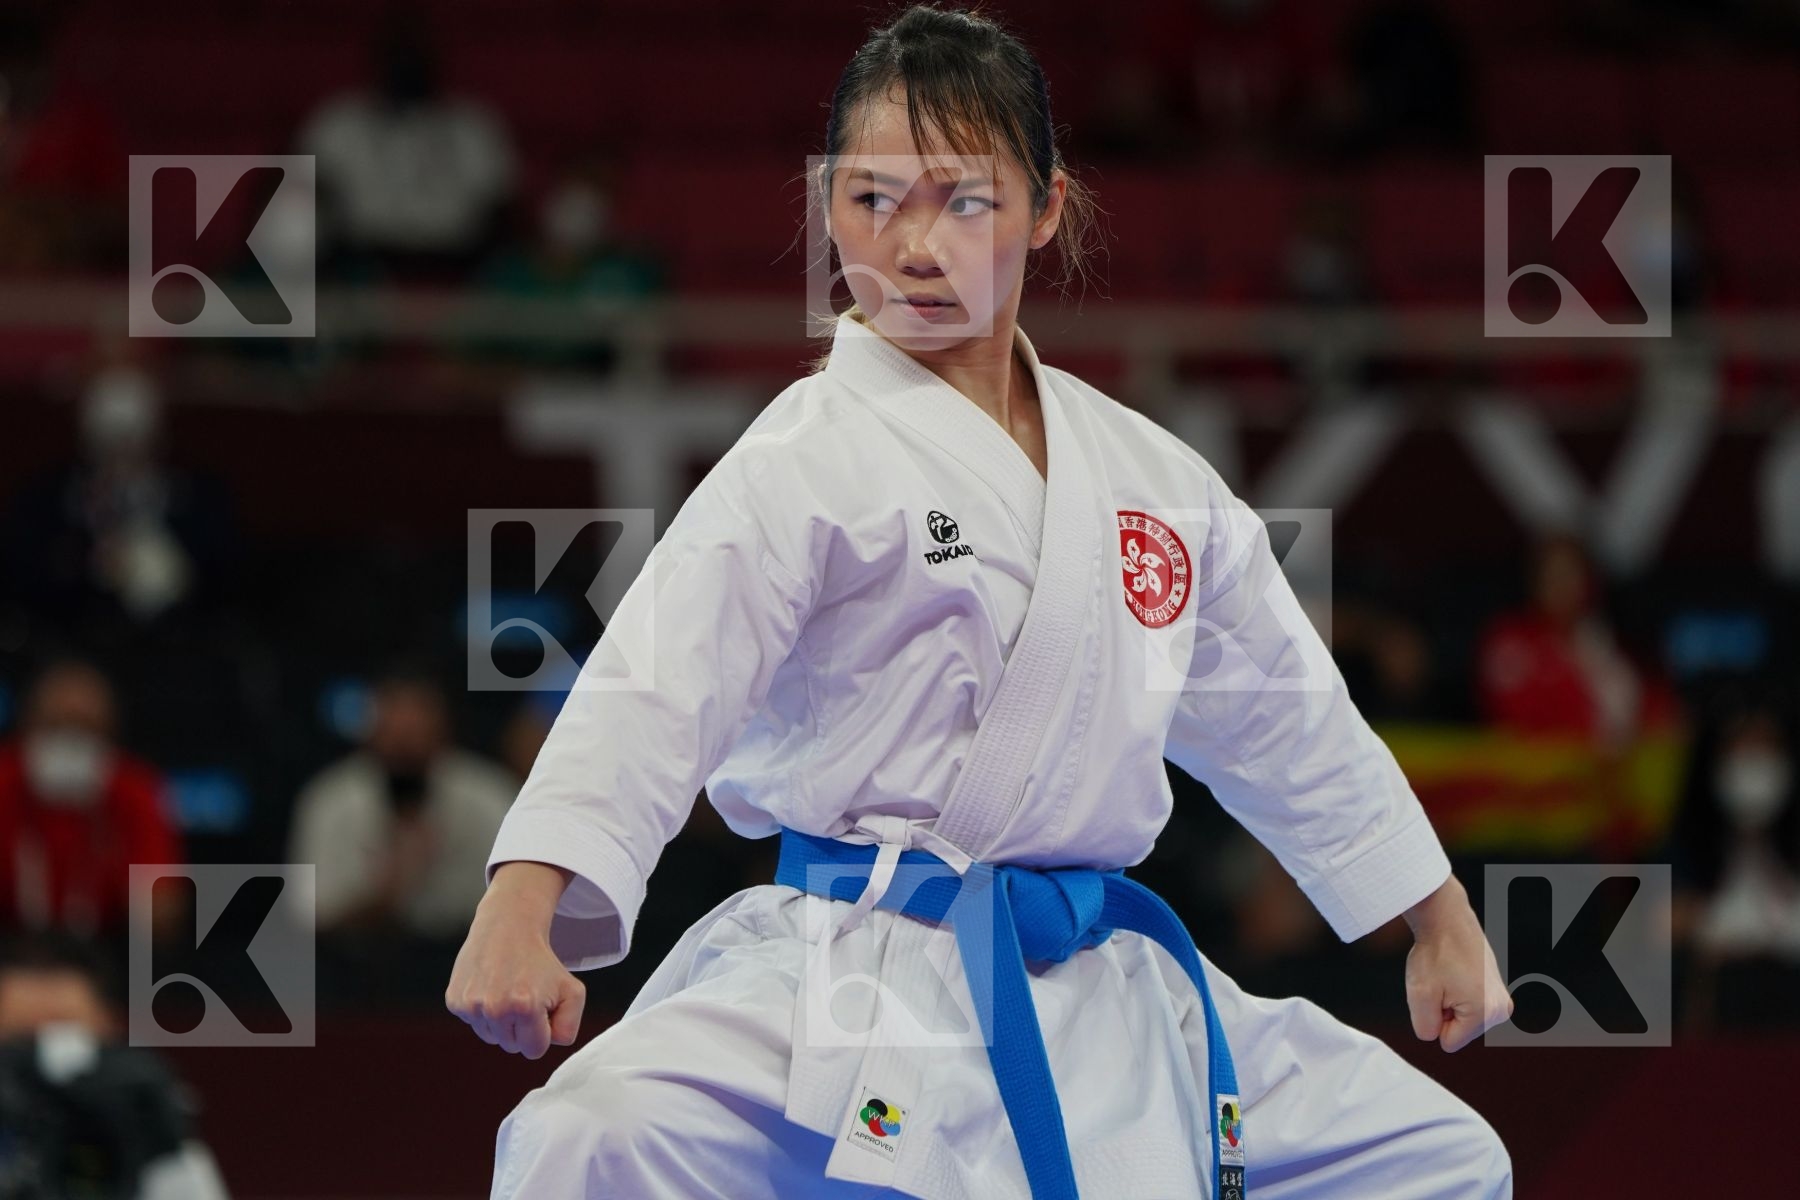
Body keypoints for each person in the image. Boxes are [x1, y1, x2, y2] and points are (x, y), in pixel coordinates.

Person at [447, 6, 1514, 1198]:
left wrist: (1437, 916)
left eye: (962, 199)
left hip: (1099, 985)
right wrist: (524, 896)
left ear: (1047, 207)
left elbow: (1288, 716)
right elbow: (656, 681)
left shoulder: (1153, 482)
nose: (912, 244)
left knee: (1443, 1162)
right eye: (870, 199)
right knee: (585, 1136)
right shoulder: (806, 454)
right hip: (850, 971)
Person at [0, 930, 230, 1199]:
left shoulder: (145, 1123)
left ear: (110, 1029)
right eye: (23, 1039)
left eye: (63, 1033)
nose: (43, 1055)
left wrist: (159, 1145)